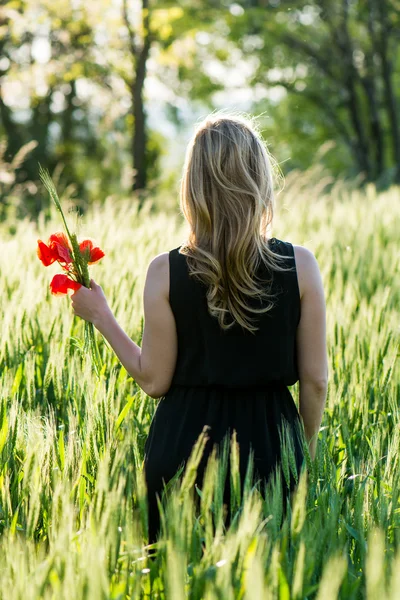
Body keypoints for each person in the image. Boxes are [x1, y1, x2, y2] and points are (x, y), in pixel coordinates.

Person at [70, 110, 328, 545]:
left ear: (192, 187)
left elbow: (153, 379)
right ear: (259, 179)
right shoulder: (300, 266)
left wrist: (102, 317)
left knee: (175, 578)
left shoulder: (164, 271)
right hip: (270, 446)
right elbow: (316, 380)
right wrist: (298, 451)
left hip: (181, 451)